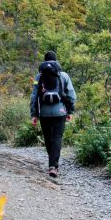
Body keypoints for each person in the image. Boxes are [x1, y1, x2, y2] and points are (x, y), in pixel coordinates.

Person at [30, 50, 76, 178]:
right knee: (57, 138)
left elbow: (34, 97)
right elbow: (71, 95)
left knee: (48, 138)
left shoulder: (39, 77)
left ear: (44, 61)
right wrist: (70, 111)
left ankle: (52, 164)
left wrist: (34, 114)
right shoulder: (64, 76)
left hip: (44, 113)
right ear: (56, 61)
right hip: (60, 112)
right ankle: (53, 166)